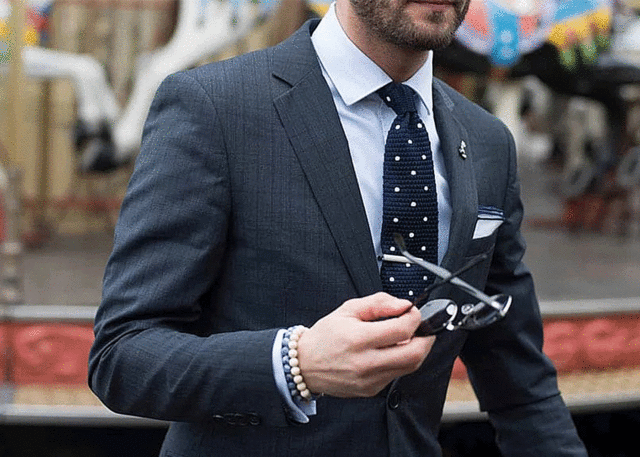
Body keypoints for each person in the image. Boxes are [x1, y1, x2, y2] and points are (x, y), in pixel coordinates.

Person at [88, 0, 588, 455]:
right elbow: (122, 355)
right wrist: (296, 364)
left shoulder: (488, 143)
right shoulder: (214, 107)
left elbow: (521, 386)